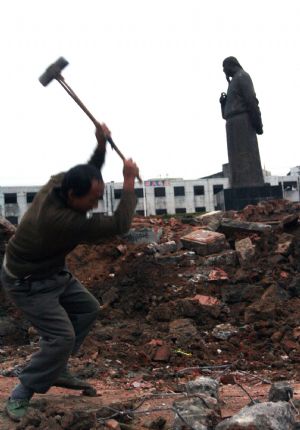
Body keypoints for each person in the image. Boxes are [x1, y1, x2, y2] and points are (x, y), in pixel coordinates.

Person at [1, 123, 139, 422]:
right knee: (61, 337)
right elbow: (119, 225)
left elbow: (89, 170)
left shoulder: (60, 183)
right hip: (27, 282)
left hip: (52, 271)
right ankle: (22, 391)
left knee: (88, 308)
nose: (94, 205)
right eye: (90, 200)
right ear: (73, 195)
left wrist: (101, 147)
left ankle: (58, 368)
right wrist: (129, 182)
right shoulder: (61, 221)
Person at [219, 56, 265, 188]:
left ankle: (252, 184)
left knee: (246, 156)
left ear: (231, 65)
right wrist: (224, 104)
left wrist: (258, 123)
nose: (224, 71)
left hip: (242, 123)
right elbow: (226, 113)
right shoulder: (233, 81)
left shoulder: (242, 77)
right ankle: (240, 184)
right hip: (233, 123)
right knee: (236, 160)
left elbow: (251, 101)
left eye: (224, 67)